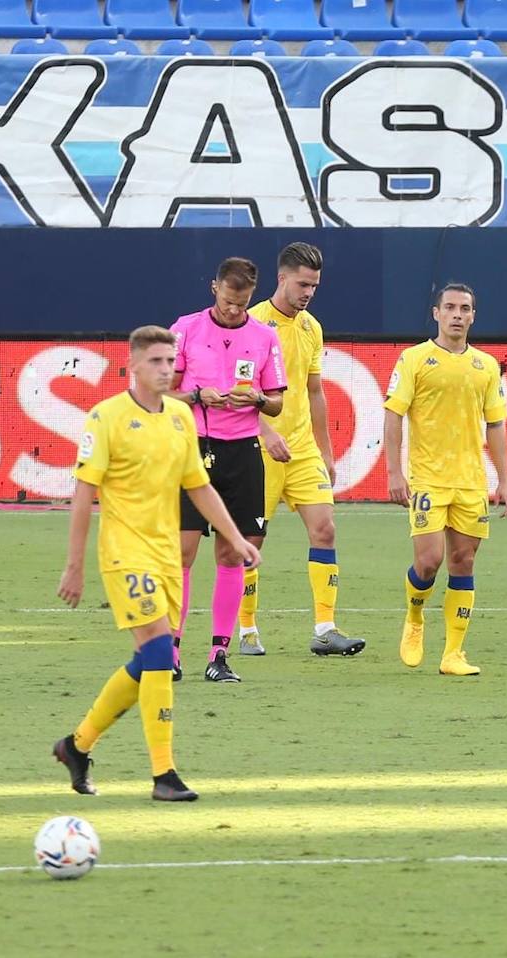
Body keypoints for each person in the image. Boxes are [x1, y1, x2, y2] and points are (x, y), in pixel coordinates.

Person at [54, 326, 261, 802]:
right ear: (133, 366)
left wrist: (235, 538)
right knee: (158, 658)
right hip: (125, 554)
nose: (166, 370)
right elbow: (85, 493)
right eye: (156, 362)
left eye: (170, 361)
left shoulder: (180, 418)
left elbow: (199, 486)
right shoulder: (105, 418)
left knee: (148, 661)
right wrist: (74, 566)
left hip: (167, 555)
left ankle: (77, 745)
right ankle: (164, 775)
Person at [240, 242, 365, 659]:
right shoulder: (252, 323)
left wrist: (326, 451)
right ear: (281, 278)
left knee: (325, 528)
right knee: (251, 539)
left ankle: (325, 628)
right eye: (302, 283)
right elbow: (238, 393)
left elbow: (314, 392)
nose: (308, 291)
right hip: (256, 449)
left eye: (314, 285)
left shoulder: (312, 327)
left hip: (302, 450)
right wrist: (265, 432)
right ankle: (246, 629)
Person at [384, 283, 507, 676]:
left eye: (465, 309)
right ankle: (414, 617)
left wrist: (504, 481)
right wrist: (394, 471)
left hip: (471, 483)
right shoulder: (414, 360)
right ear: (436, 313)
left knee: (464, 560)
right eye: (451, 308)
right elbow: (394, 416)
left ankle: (453, 654)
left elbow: (496, 424)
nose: (458, 315)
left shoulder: (487, 366)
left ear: (474, 316)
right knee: (428, 562)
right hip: (427, 479)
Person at [170, 257, 286, 684]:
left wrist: (255, 399)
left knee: (233, 552)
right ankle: (172, 650)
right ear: (214, 287)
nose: (234, 310)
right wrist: (198, 395)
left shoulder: (264, 337)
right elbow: (165, 390)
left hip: (241, 452)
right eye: (228, 301)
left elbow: (277, 401)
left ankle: (218, 655)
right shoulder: (185, 328)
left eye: (242, 303)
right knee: (182, 552)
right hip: (192, 449)